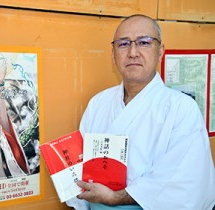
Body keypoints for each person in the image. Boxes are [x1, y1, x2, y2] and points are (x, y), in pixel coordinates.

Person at [66, 14, 215, 210]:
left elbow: (183, 184)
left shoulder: (181, 108)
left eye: (144, 42)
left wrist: (116, 198)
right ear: (113, 54)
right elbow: (80, 166)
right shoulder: (98, 103)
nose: (133, 52)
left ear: (160, 51)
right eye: (123, 44)